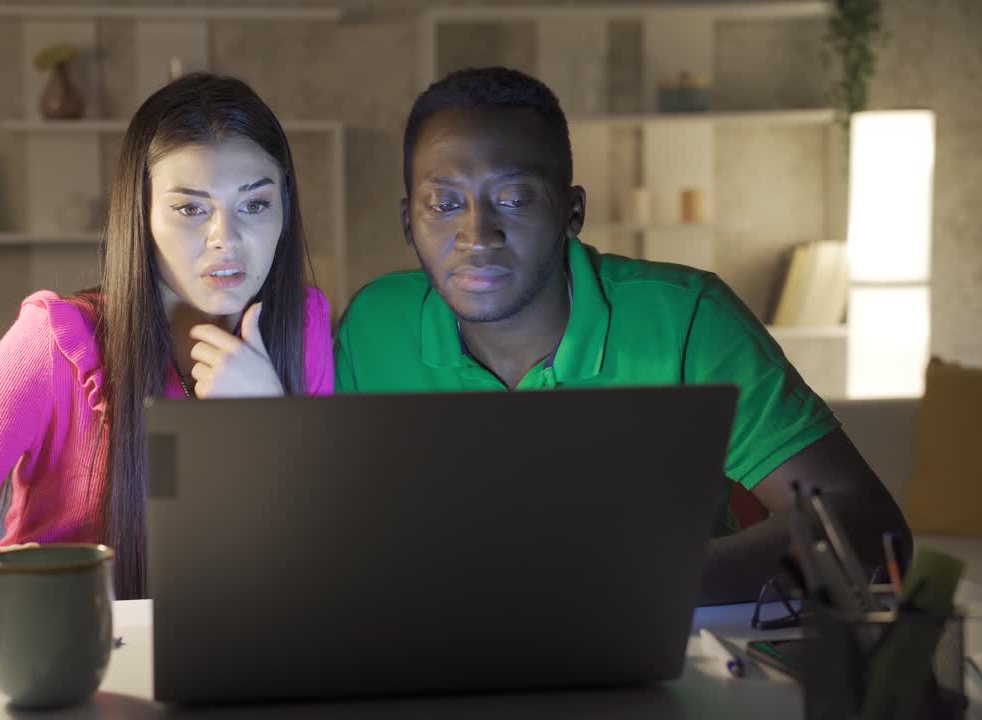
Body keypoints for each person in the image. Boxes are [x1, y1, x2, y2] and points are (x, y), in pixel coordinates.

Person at [334, 67, 909, 604]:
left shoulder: (688, 320)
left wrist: (645, 588)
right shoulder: (372, 327)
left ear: (572, 211)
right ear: (409, 221)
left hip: (670, 654)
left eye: (513, 198)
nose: (478, 234)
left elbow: (865, 524)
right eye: (445, 203)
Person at [0, 74, 334, 622]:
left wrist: (270, 423)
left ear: (285, 208)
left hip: (238, 652)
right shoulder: (54, 343)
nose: (226, 237)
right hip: (71, 656)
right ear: (141, 213)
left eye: (255, 204)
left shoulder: (304, 323)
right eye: (190, 209)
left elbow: (324, 556)